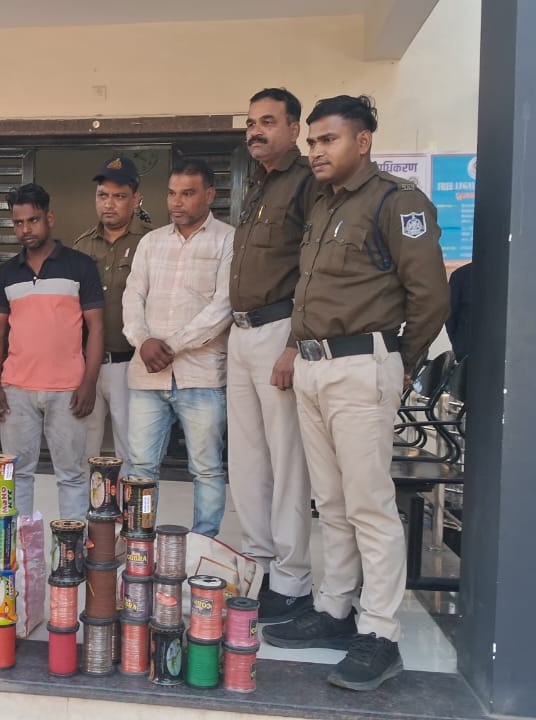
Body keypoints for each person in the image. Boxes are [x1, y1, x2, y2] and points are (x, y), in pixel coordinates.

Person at [262, 96, 449, 692]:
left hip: (362, 367)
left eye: (328, 140)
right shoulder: (324, 204)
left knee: (369, 505)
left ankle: (380, 633)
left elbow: (429, 297)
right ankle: (335, 608)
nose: (316, 151)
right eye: (312, 141)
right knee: (333, 501)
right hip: (315, 367)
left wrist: (397, 364)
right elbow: (310, 292)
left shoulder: (397, 202)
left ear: (362, 142)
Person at [227, 88, 315, 622]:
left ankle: (291, 578)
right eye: (250, 123)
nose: (255, 131)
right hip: (241, 334)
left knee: (287, 462)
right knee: (247, 460)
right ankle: (258, 565)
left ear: (294, 129)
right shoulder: (256, 184)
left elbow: (312, 268)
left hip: (280, 330)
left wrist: (294, 343)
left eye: (267, 121)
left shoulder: (305, 183)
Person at [121, 158, 234, 537]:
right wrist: (142, 341)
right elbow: (132, 296)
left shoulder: (228, 240)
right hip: (147, 375)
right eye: (172, 193)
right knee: (140, 468)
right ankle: (140, 541)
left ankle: (204, 543)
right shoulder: (151, 242)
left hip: (201, 376)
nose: (176, 202)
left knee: (206, 469)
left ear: (209, 195)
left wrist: (169, 345)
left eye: (187, 193)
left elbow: (223, 307)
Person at [0, 183, 104, 520]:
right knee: (16, 475)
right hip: (16, 389)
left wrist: (88, 383)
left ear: (49, 219)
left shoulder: (80, 266)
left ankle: (71, 547)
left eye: (33, 220)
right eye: (18, 223)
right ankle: (19, 546)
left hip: (68, 389)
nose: (25, 229)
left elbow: (96, 328)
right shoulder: (6, 274)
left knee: (72, 475)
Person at [73, 156, 152, 473]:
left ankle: (129, 507)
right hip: (86, 365)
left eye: (119, 196)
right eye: (102, 195)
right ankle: (88, 505)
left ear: (136, 198)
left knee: (132, 452)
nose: (109, 204)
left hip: (131, 363)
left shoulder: (150, 242)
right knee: (84, 450)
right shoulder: (81, 246)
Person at [445, 261, 472, 360]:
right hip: (465, 351)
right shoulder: (460, 275)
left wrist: (458, 344)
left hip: (465, 351)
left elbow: (450, 316)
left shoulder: (460, 274)